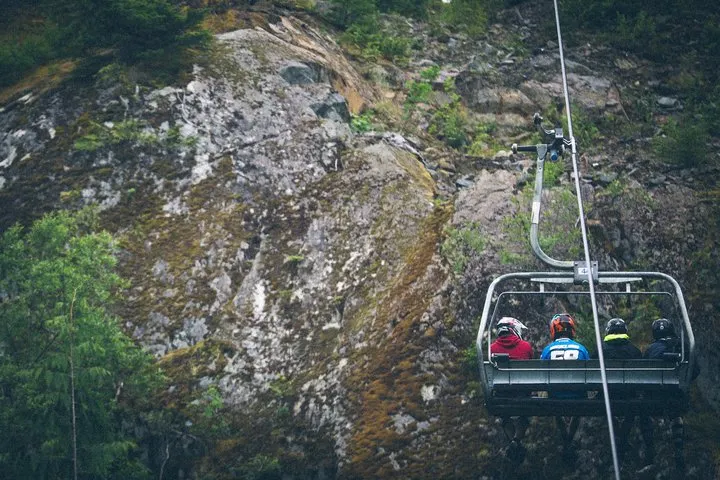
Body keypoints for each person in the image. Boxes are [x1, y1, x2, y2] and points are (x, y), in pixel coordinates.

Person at [490, 317, 533, 463]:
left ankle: (514, 442)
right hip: (522, 395)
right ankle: (516, 440)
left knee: (505, 416)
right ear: (515, 329)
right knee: (524, 415)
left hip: (501, 396)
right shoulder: (526, 346)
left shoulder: (492, 349)